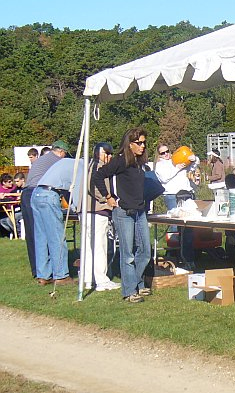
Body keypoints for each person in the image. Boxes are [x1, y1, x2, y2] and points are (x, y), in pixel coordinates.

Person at [92, 128, 152, 303]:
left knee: (145, 251)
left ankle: (137, 283)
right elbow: (98, 175)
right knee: (128, 254)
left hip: (140, 211)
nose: (142, 146)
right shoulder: (120, 161)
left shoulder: (140, 163)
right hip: (123, 211)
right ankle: (129, 291)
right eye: (138, 143)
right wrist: (108, 197)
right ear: (130, 144)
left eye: (144, 142)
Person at [32, 157, 83, 286]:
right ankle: (61, 276)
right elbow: (76, 191)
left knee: (41, 238)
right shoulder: (81, 167)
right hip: (50, 195)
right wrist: (77, 209)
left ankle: (43, 275)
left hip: (36, 194)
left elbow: (67, 190)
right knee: (57, 237)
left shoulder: (67, 162)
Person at [21, 140, 69, 279]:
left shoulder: (42, 159)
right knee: (55, 235)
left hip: (29, 194)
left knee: (37, 236)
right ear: (61, 152)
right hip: (44, 192)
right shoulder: (58, 161)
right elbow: (64, 183)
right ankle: (61, 275)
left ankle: (41, 273)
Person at [81, 142, 120, 292]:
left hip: (87, 210)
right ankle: (102, 280)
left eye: (111, 153)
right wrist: (107, 198)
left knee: (89, 246)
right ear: (98, 153)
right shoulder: (97, 167)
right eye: (107, 153)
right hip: (96, 210)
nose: (109, 156)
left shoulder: (88, 165)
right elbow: (94, 186)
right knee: (99, 246)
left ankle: (88, 279)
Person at [153, 143, 196, 271]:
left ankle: (187, 257)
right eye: (163, 153)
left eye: (167, 151)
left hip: (186, 193)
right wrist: (177, 168)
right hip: (172, 195)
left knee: (188, 227)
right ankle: (174, 256)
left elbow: (192, 166)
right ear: (159, 155)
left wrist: (193, 159)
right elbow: (165, 178)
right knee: (175, 227)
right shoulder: (160, 165)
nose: (166, 154)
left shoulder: (176, 159)